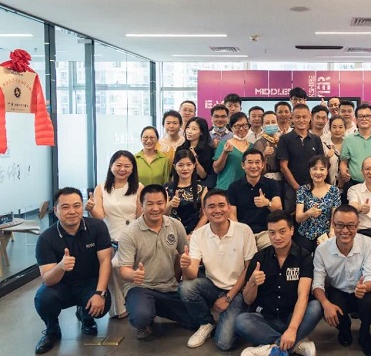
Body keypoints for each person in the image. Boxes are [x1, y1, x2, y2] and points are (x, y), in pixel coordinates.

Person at [34, 187, 112, 354]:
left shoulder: (97, 227)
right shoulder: (46, 239)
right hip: (61, 286)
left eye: (77, 206)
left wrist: (100, 293)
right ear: (56, 211)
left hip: (89, 283)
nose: (72, 211)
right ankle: (52, 330)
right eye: (65, 207)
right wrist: (60, 267)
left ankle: (86, 316)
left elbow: (106, 261)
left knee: (103, 304)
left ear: (82, 207)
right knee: (44, 299)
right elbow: (48, 280)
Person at [178, 189, 257, 350]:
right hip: (212, 286)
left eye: (221, 205)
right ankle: (206, 323)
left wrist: (228, 298)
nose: (217, 210)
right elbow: (192, 274)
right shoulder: (199, 234)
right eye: (211, 206)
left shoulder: (244, 230)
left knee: (224, 343)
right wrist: (185, 266)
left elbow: (248, 269)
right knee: (186, 287)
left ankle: (237, 316)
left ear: (229, 207)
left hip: (237, 290)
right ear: (204, 210)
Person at [235, 211, 322, 356]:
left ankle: (272, 348)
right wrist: (252, 282)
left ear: (291, 230)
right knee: (241, 321)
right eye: (272, 233)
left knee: (315, 307)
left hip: (293, 316)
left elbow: (303, 296)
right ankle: (295, 344)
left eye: (282, 231)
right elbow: (248, 300)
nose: (277, 237)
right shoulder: (260, 257)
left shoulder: (304, 257)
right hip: (266, 318)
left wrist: (292, 329)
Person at [118, 184, 197, 341]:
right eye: (149, 204)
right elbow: (124, 270)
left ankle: (155, 306)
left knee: (196, 318)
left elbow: (185, 253)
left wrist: (186, 262)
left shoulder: (175, 225)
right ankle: (145, 316)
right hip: (141, 288)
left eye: (160, 203)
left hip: (170, 287)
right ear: (141, 205)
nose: (155, 208)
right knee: (141, 317)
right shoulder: (129, 233)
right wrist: (134, 275)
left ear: (166, 203)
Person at [313, 205, 371, 356]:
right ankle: (344, 328)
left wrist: (365, 287)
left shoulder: (368, 243)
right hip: (339, 290)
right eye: (340, 225)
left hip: (361, 291)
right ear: (333, 225)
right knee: (327, 307)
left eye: (350, 226)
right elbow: (317, 284)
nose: (345, 230)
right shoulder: (322, 250)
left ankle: (364, 334)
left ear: (358, 225)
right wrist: (326, 304)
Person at [85, 150, 143, 318]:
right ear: (111, 166)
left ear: (133, 168)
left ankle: (131, 302)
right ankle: (118, 308)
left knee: (118, 265)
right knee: (109, 265)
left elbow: (140, 215)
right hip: (109, 236)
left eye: (127, 166)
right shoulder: (101, 188)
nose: (122, 169)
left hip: (132, 235)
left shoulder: (138, 187)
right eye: (118, 165)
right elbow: (100, 216)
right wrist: (90, 209)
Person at [227, 148, 283, 249]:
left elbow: (279, 208)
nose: (254, 166)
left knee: (273, 248)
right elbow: (232, 215)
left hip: (266, 232)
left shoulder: (272, 184)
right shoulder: (234, 187)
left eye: (257, 162)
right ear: (243, 165)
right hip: (243, 233)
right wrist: (240, 233)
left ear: (262, 165)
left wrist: (267, 203)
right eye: (250, 162)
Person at [277, 103, 324, 213]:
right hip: (291, 189)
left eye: (304, 117)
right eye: (297, 117)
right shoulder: (285, 139)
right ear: (292, 117)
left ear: (310, 117)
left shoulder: (316, 139)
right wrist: (297, 187)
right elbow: (283, 166)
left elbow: (321, 164)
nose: (301, 120)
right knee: (291, 217)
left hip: (314, 187)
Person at [340, 104, 371, 201]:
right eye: (361, 116)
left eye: (367, 116)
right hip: (353, 184)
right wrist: (343, 171)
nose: (364, 119)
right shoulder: (348, 139)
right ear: (356, 119)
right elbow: (344, 162)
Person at [295, 155, 341, 252]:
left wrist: (331, 235)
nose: (318, 172)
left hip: (326, 233)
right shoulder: (302, 190)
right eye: (314, 169)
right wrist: (308, 213)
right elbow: (298, 218)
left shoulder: (334, 190)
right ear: (310, 171)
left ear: (327, 171)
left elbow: (335, 216)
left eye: (322, 169)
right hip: (306, 233)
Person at [164, 149, 208, 236]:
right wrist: (170, 205)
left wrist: (193, 234)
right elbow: (161, 214)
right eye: (180, 165)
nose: (185, 169)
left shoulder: (202, 188)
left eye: (189, 164)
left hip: (195, 234)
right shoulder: (167, 187)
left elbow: (205, 214)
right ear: (174, 166)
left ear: (194, 165)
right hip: (170, 233)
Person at [213, 112, 253, 190]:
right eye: (237, 126)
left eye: (245, 125)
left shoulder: (252, 146)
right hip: (225, 188)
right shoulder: (224, 144)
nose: (241, 129)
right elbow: (216, 169)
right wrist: (225, 153)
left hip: (245, 189)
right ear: (231, 128)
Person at [176, 117, 214, 183]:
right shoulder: (180, 148)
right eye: (188, 127)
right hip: (181, 183)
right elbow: (174, 171)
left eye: (194, 129)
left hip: (199, 183)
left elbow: (203, 175)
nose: (189, 131)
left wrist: (195, 159)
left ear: (201, 132)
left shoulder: (207, 150)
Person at [253, 111, 283, 185]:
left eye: (273, 122)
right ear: (262, 125)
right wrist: (264, 155)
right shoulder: (259, 143)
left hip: (283, 180)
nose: (271, 125)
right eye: (267, 123)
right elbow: (256, 165)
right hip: (266, 181)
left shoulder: (281, 140)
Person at [322, 115, 345, 187]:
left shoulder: (349, 143)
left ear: (345, 128)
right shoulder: (323, 143)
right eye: (334, 127)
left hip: (346, 185)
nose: (337, 130)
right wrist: (326, 157)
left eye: (340, 127)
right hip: (326, 184)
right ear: (329, 128)